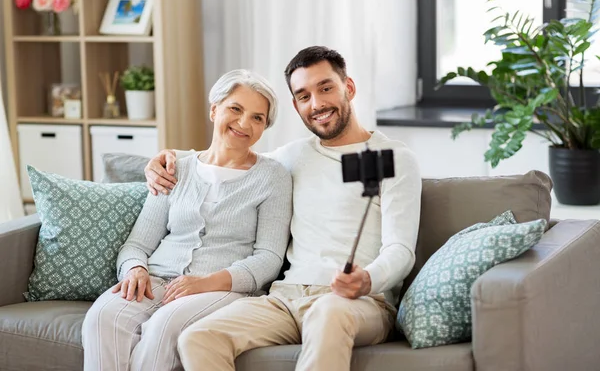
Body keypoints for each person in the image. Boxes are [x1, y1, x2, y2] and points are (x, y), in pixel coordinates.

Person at [145, 46, 422, 370]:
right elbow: (226, 156)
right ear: (295, 105)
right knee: (198, 337)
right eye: (304, 96)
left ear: (349, 87)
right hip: (284, 299)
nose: (316, 104)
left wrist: (368, 280)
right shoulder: (291, 158)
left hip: (358, 302)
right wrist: (168, 158)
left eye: (326, 88)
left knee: (327, 313)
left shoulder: (394, 158)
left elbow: (401, 248)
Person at [81, 69, 293, 371]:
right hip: (154, 280)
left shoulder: (273, 177)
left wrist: (207, 282)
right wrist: (135, 269)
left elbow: (269, 257)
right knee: (102, 318)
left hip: (222, 288)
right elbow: (137, 243)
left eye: (257, 118)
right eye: (235, 108)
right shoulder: (175, 169)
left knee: (164, 327)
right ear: (214, 109)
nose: (244, 123)